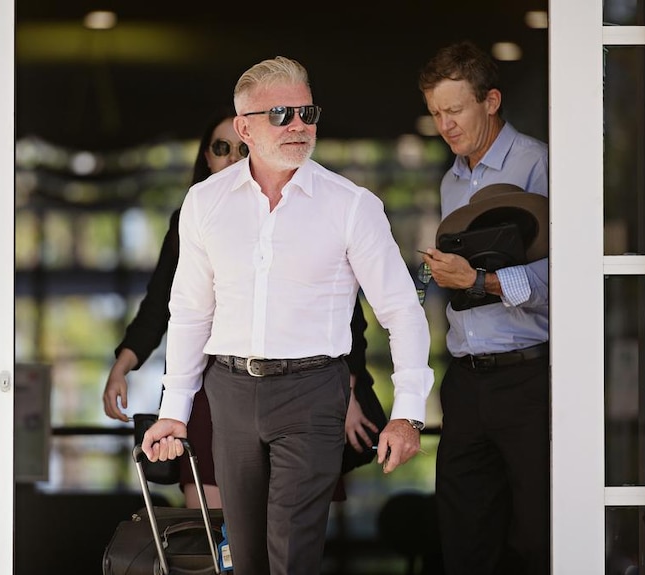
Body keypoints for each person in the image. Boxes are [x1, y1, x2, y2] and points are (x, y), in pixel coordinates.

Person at [141, 56, 434, 575]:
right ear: (244, 127)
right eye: (281, 114)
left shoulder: (351, 205)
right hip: (228, 391)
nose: (299, 125)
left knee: (292, 551)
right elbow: (189, 312)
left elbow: (401, 310)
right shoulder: (204, 203)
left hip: (312, 392)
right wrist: (174, 411)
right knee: (245, 555)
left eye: (307, 112)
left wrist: (408, 412)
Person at [103, 108, 382, 509]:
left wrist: (348, 394)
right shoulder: (190, 218)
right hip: (212, 384)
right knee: (214, 529)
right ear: (206, 157)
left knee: (288, 530)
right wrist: (122, 366)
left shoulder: (297, 212)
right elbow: (163, 306)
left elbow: (343, 313)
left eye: (242, 147)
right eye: (222, 148)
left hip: (300, 385)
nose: (233, 156)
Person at [417, 41, 550, 575]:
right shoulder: (451, 180)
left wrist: (481, 279)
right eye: (435, 114)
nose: (444, 125)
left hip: (530, 379)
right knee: (466, 543)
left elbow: (568, 279)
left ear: (490, 100)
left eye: (454, 110)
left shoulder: (540, 164)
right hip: (466, 382)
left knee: (539, 539)